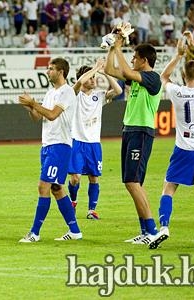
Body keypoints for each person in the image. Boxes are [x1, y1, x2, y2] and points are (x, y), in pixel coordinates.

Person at [154, 31, 194, 250]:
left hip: (183, 149)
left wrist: (179, 54)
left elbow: (163, 76)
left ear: (183, 75)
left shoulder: (178, 92)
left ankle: (163, 227)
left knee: (168, 189)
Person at [104, 28, 163, 246]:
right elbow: (111, 69)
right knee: (135, 183)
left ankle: (152, 230)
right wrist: (112, 46)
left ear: (144, 60)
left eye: (135, 57)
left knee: (132, 182)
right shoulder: (138, 77)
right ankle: (146, 231)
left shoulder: (153, 78)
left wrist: (119, 46)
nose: (132, 59)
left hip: (141, 130)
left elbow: (127, 73)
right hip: (130, 129)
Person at [18, 58, 82, 243]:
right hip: (47, 145)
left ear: (61, 72)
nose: (48, 71)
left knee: (43, 186)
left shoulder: (67, 92)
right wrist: (30, 107)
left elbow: (53, 115)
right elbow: (37, 117)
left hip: (60, 146)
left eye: (51, 69)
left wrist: (33, 103)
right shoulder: (50, 93)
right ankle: (75, 231)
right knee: (56, 188)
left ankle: (35, 233)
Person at [67, 58, 122, 220]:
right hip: (76, 141)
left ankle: (91, 210)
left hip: (94, 144)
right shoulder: (74, 96)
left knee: (93, 177)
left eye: (94, 77)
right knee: (75, 178)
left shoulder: (99, 96)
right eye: (91, 77)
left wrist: (105, 72)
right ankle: (73, 201)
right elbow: (79, 82)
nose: (94, 80)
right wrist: (95, 68)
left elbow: (118, 91)